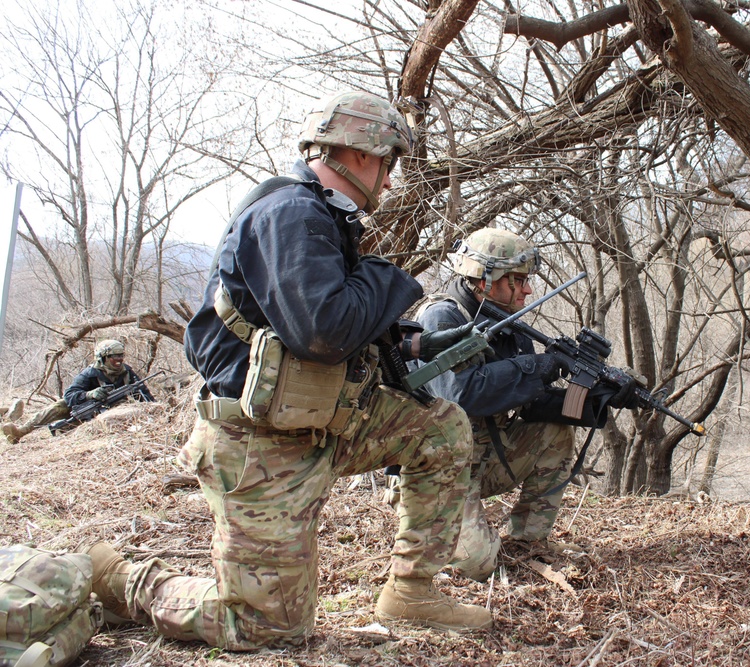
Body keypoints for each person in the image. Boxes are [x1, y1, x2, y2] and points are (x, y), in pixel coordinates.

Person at [84, 90, 492, 652]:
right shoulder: (292, 213)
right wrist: (387, 278)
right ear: (359, 154)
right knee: (266, 629)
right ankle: (121, 580)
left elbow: (308, 325)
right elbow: (323, 330)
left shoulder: (320, 216)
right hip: (258, 445)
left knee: (440, 427)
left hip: (319, 422)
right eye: (388, 163)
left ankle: (412, 591)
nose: (391, 181)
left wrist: (415, 342)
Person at [404, 229, 636, 581]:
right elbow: (459, 395)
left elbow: (533, 404)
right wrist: (537, 366)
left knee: (555, 429)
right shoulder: (442, 317)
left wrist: (599, 400)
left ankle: (529, 539)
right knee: (478, 565)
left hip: (481, 461)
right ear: (485, 279)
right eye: (518, 280)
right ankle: (446, 529)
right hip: (437, 470)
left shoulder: (507, 324)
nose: (527, 290)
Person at [1, 339, 154, 444]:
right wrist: (90, 394)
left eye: (121, 356)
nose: (119, 360)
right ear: (103, 358)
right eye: (114, 357)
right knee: (59, 405)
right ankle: (20, 432)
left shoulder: (128, 373)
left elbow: (145, 396)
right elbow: (69, 396)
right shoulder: (90, 373)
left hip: (112, 415)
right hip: (84, 408)